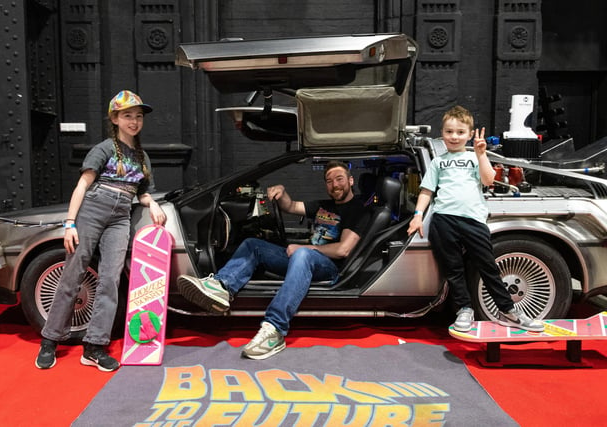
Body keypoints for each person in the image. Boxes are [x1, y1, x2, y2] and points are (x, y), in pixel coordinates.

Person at [177, 161, 369, 359]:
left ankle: (274, 328)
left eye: (339, 179)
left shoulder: (358, 209)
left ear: (350, 180)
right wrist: (282, 192)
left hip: (329, 268)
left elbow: (343, 250)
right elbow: (291, 206)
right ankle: (221, 286)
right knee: (253, 244)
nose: (334, 185)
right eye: (329, 181)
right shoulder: (324, 205)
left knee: (302, 254)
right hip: (304, 261)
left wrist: (304, 248)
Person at [35, 90, 167, 371]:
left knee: (110, 280)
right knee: (73, 274)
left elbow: (141, 192)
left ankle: (94, 347)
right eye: (128, 115)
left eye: (138, 116)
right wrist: (70, 223)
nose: (134, 121)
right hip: (93, 209)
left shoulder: (142, 157)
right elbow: (83, 185)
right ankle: (50, 340)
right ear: (115, 118)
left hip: (120, 217)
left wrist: (152, 203)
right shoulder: (105, 148)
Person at [406, 105, 543, 333]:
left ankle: (508, 311)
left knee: (488, 266)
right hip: (443, 220)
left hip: (473, 220)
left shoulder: (474, 157)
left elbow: (489, 180)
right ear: (443, 133)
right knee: (453, 268)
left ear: (470, 135)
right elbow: (426, 191)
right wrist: (418, 216)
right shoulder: (438, 162)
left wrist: (481, 154)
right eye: (449, 132)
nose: (454, 136)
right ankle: (464, 310)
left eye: (460, 132)